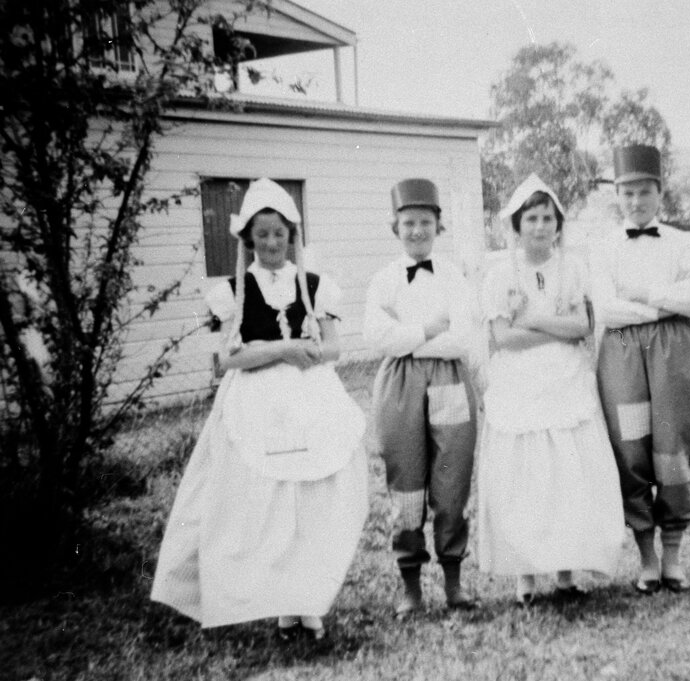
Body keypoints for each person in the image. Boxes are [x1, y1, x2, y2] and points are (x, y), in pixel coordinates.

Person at [151, 178, 368, 640]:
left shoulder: (314, 285)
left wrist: (304, 351)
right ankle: (274, 600)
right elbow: (228, 359)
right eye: (262, 234)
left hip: (310, 402)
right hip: (255, 405)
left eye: (280, 234)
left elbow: (332, 350)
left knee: (309, 500)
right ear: (248, 237)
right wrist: (283, 349)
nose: (271, 243)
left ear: (292, 237)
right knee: (263, 503)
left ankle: (306, 603)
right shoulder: (234, 290)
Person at [477, 174, 624, 606]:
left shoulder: (572, 267)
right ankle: (525, 574)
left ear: (558, 224)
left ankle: (565, 571)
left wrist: (533, 321)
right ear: (517, 226)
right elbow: (503, 339)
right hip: (519, 384)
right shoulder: (500, 273)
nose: (540, 227)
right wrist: (553, 330)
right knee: (525, 479)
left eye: (547, 218)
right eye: (531, 219)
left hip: (566, 382)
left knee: (567, 476)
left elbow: (582, 326)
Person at [590, 146, 690, 595]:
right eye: (627, 193)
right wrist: (662, 301)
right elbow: (606, 309)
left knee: (670, 444)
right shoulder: (603, 247)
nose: (636, 202)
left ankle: (674, 554)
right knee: (632, 447)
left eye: (644, 192)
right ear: (617, 197)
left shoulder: (683, 242)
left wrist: (641, 294)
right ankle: (647, 556)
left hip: (675, 354)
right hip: (621, 356)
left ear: (660, 193)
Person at [363, 178, 478, 617]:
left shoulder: (453, 275)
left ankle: (453, 581)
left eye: (425, 222)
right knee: (406, 485)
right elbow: (377, 337)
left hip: (449, 380)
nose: (416, 231)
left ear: (438, 226)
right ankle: (410, 583)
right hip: (399, 387)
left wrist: (406, 335)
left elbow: (462, 338)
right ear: (395, 227)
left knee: (451, 483)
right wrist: (431, 328)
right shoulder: (382, 280)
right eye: (408, 222)